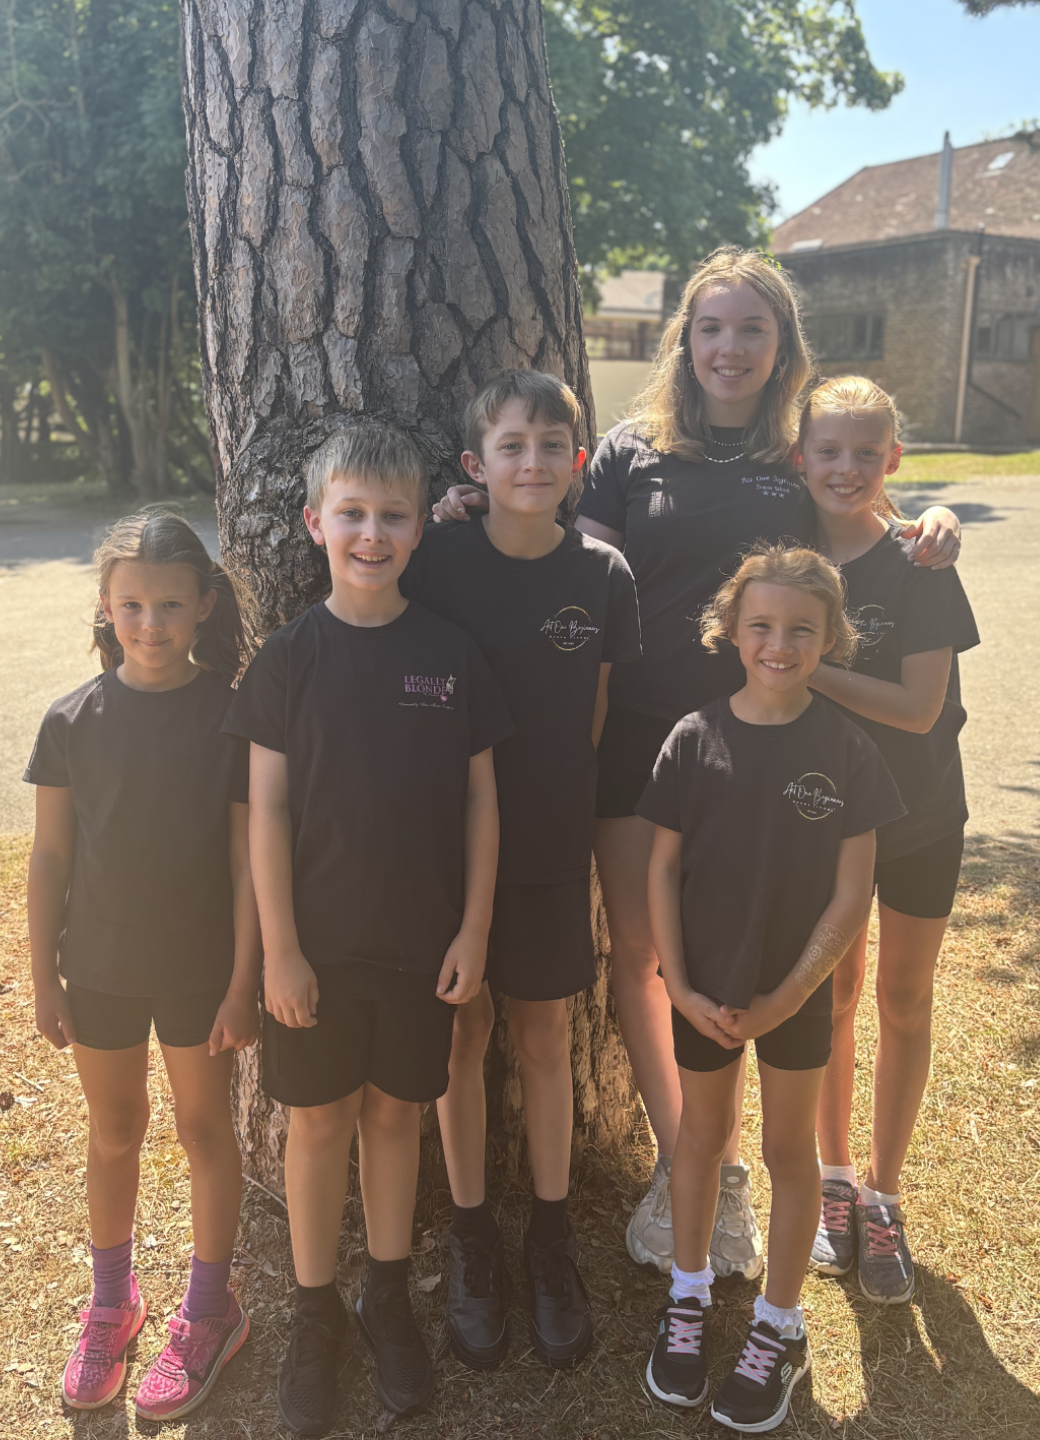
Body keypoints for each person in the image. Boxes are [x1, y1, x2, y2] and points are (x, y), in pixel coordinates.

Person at [433, 245, 962, 1280]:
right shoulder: (631, 453)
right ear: (685, 340)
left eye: (753, 329)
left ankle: (768, 1158)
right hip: (636, 732)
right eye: (712, 327)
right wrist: (471, 511)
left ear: (782, 345)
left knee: (758, 951)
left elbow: (859, 505)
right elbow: (565, 561)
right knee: (642, 952)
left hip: (762, 739)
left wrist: (929, 520)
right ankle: (695, 1166)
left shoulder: (794, 454)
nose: (731, 347)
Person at [224, 426, 511, 1436]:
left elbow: (481, 803)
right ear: (315, 523)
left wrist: (474, 930)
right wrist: (280, 950)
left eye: (393, 515)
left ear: (419, 528)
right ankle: (315, 1315)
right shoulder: (287, 660)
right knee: (318, 1123)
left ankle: (385, 1298)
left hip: (421, 948)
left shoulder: (450, 656)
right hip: (318, 953)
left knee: (395, 1118)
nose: (372, 534)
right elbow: (265, 812)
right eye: (351, 513)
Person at [402, 370, 641, 1370]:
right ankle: (471, 1238)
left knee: (543, 1035)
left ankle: (549, 1236)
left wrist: (560, 817)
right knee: (462, 1032)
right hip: (442, 848)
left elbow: (592, 716)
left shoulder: (604, 574)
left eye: (552, 446)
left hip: (545, 842)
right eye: (512, 446)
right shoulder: (437, 560)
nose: (533, 463)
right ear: (476, 463)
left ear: (578, 463)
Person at [640, 545, 903, 1433]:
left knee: (791, 1153)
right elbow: (661, 870)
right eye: (761, 625)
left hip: (795, 996)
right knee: (701, 1139)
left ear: (832, 638)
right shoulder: (691, 738)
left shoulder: (849, 749)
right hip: (704, 991)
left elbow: (851, 894)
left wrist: (790, 997)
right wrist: (679, 985)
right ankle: (686, 1298)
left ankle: (778, 1325)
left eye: (801, 629)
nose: (779, 645)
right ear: (731, 631)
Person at [25, 511, 260, 1421]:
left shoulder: (231, 716)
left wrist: (242, 982)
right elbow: (50, 857)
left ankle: (210, 1308)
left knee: (204, 1130)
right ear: (105, 604)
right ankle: (112, 1303)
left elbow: (244, 860)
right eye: (132, 605)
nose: (150, 623)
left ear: (203, 605)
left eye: (169, 604)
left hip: (202, 974)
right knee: (114, 1128)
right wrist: (44, 979)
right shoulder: (70, 721)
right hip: (101, 969)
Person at [797, 377, 980, 1303]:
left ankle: (884, 1195)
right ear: (799, 457)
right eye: (828, 450)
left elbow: (917, 709)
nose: (846, 468)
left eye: (866, 452)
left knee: (903, 999)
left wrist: (811, 670)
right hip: (822, 821)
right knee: (833, 998)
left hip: (921, 815)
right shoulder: (785, 562)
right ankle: (832, 1182)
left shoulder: (920, 562)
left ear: (894, 459)